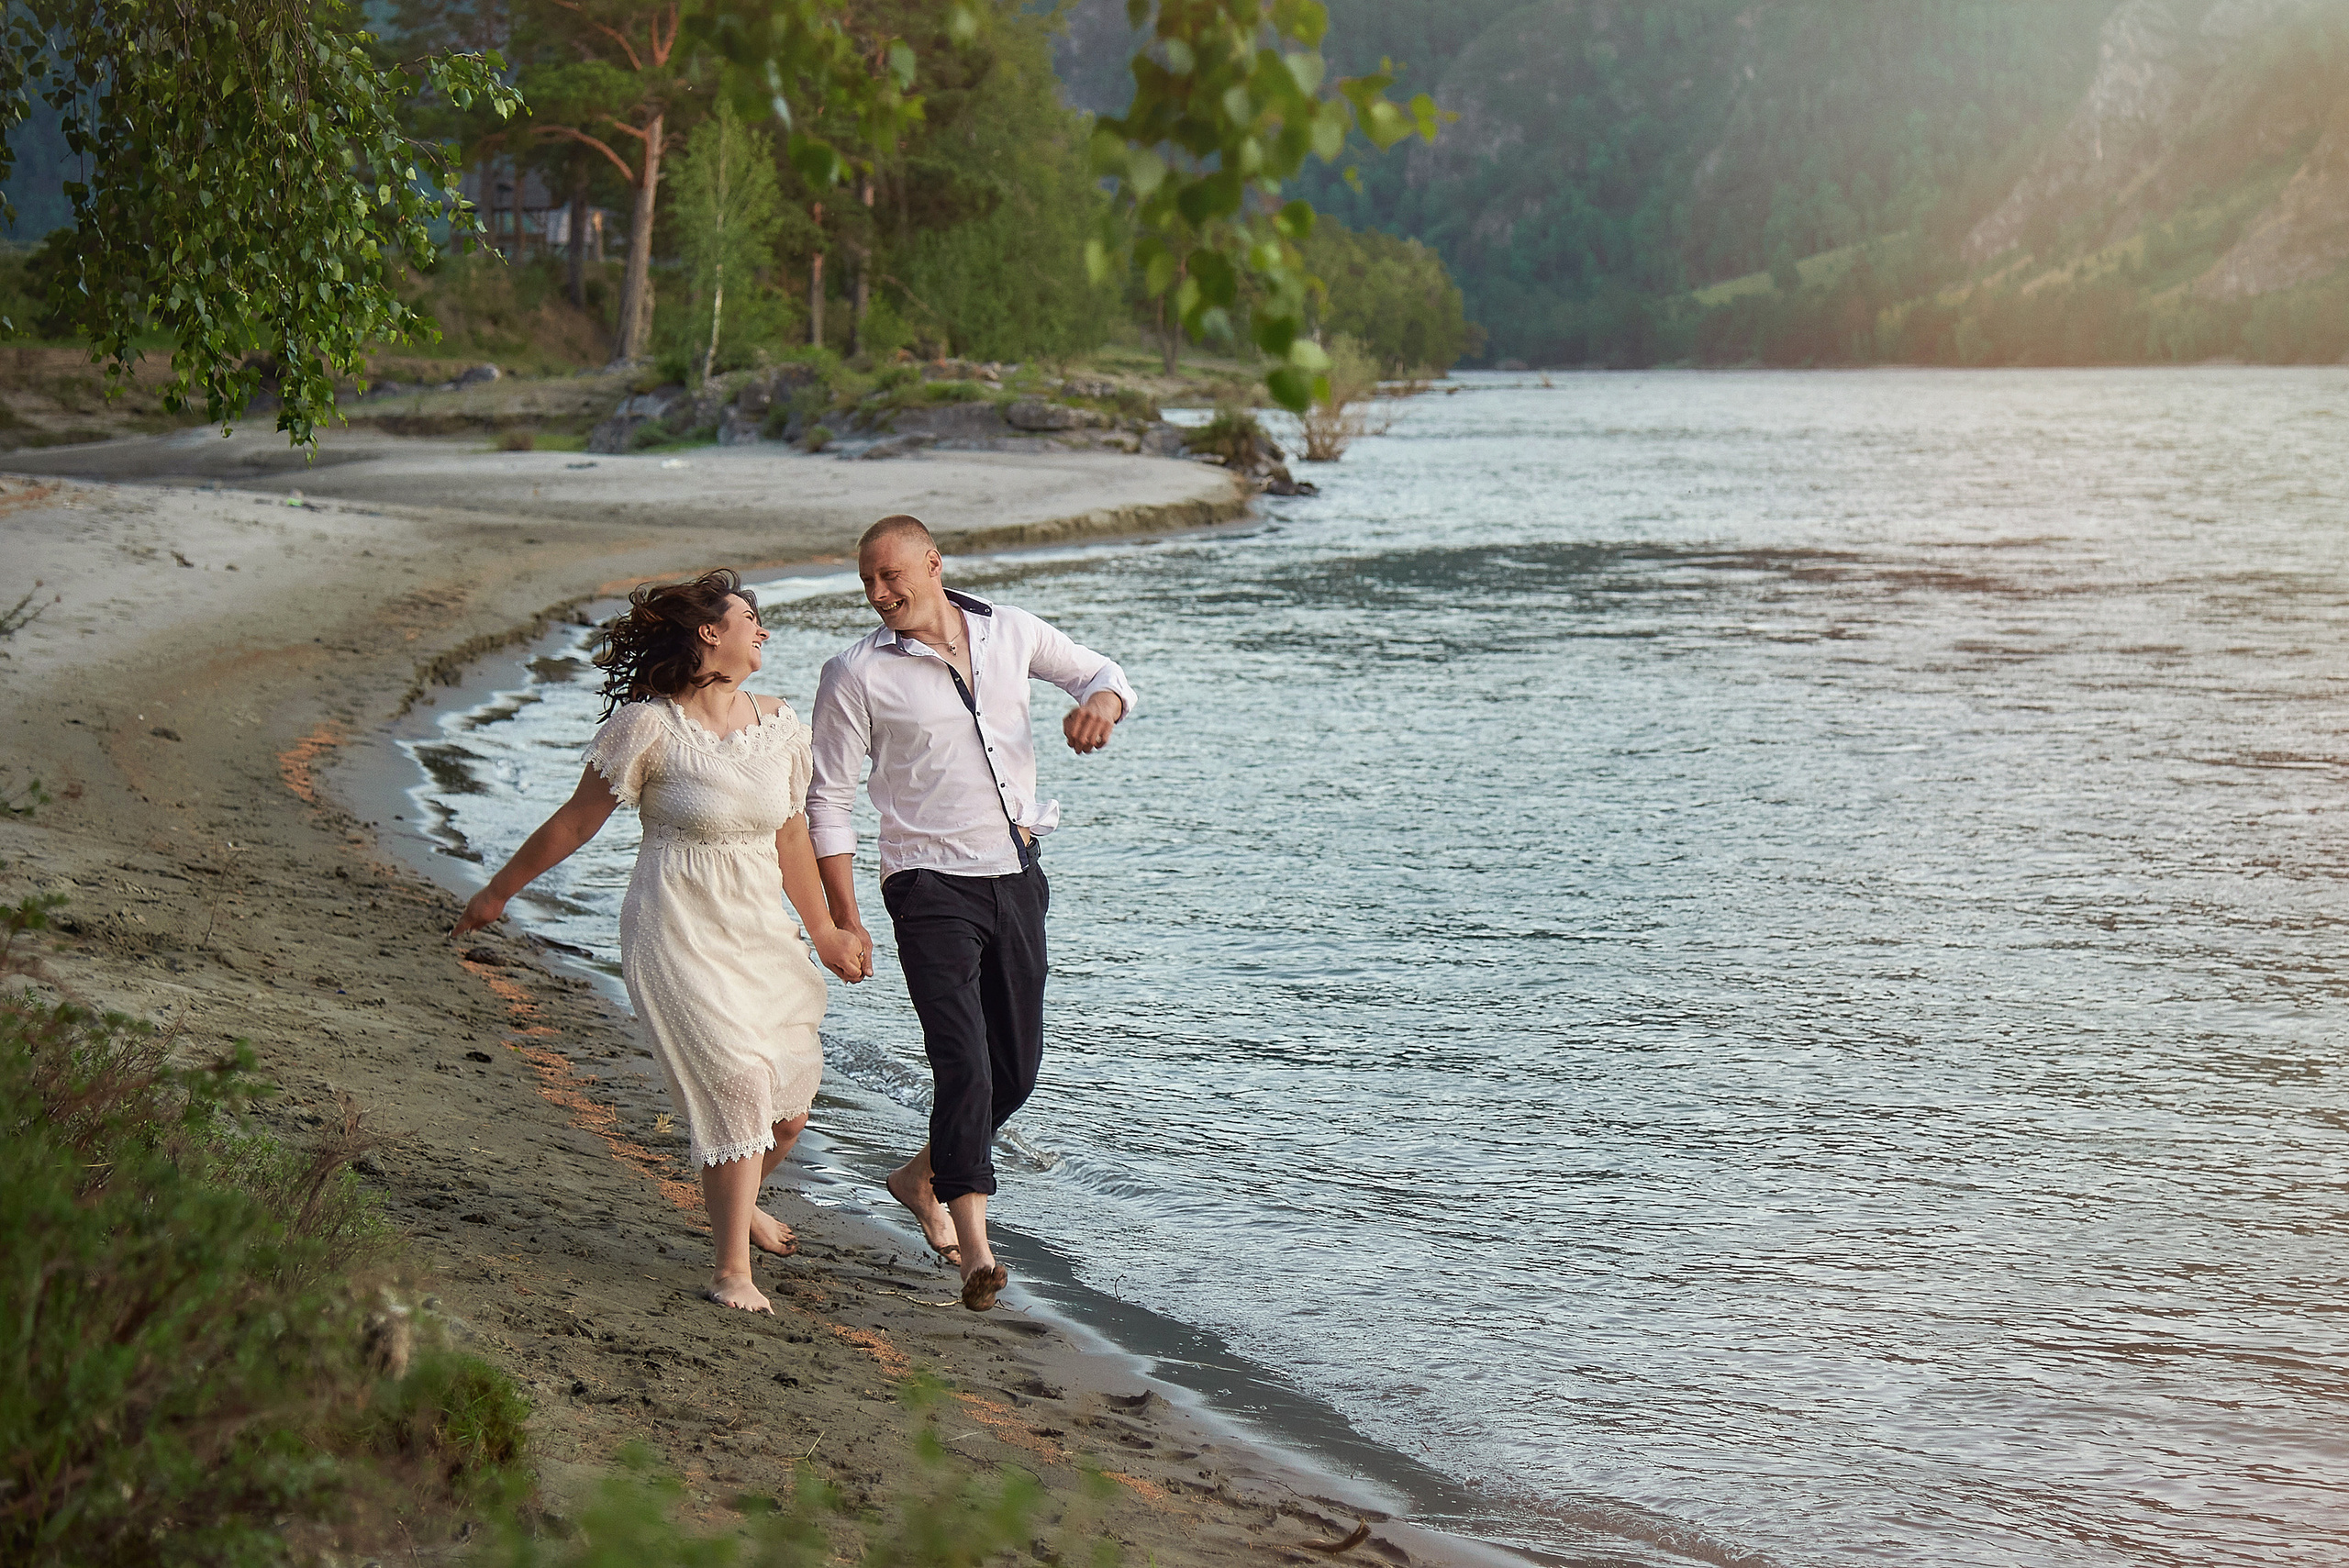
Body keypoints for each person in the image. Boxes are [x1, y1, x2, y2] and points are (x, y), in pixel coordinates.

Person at [451, 569, 869, 1314]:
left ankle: (740, 1203)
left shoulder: (779, 725)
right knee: (738, 1085)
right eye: (750, 617)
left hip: (757, 932)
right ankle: (731, 1269)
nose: (762, 630)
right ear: (711, 632)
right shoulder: (647, 727)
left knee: (787, 1109)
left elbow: (792, 836)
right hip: (674, 926)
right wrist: (496, 893)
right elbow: (575, 821)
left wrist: (828, 930)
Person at [807, 514, 1135, 1312]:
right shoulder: (854, 673)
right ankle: (976, 1250)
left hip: (1017, 874)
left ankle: (921, 1176)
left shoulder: (1010, 631)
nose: (881, 594)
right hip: (926, 887)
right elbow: (829, 801)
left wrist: (1104, 705)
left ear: (933, 562)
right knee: (964, 1060)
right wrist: (844, 918)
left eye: (892, 576)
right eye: (867, 583)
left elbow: (1105, 671)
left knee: (1014, 1069)